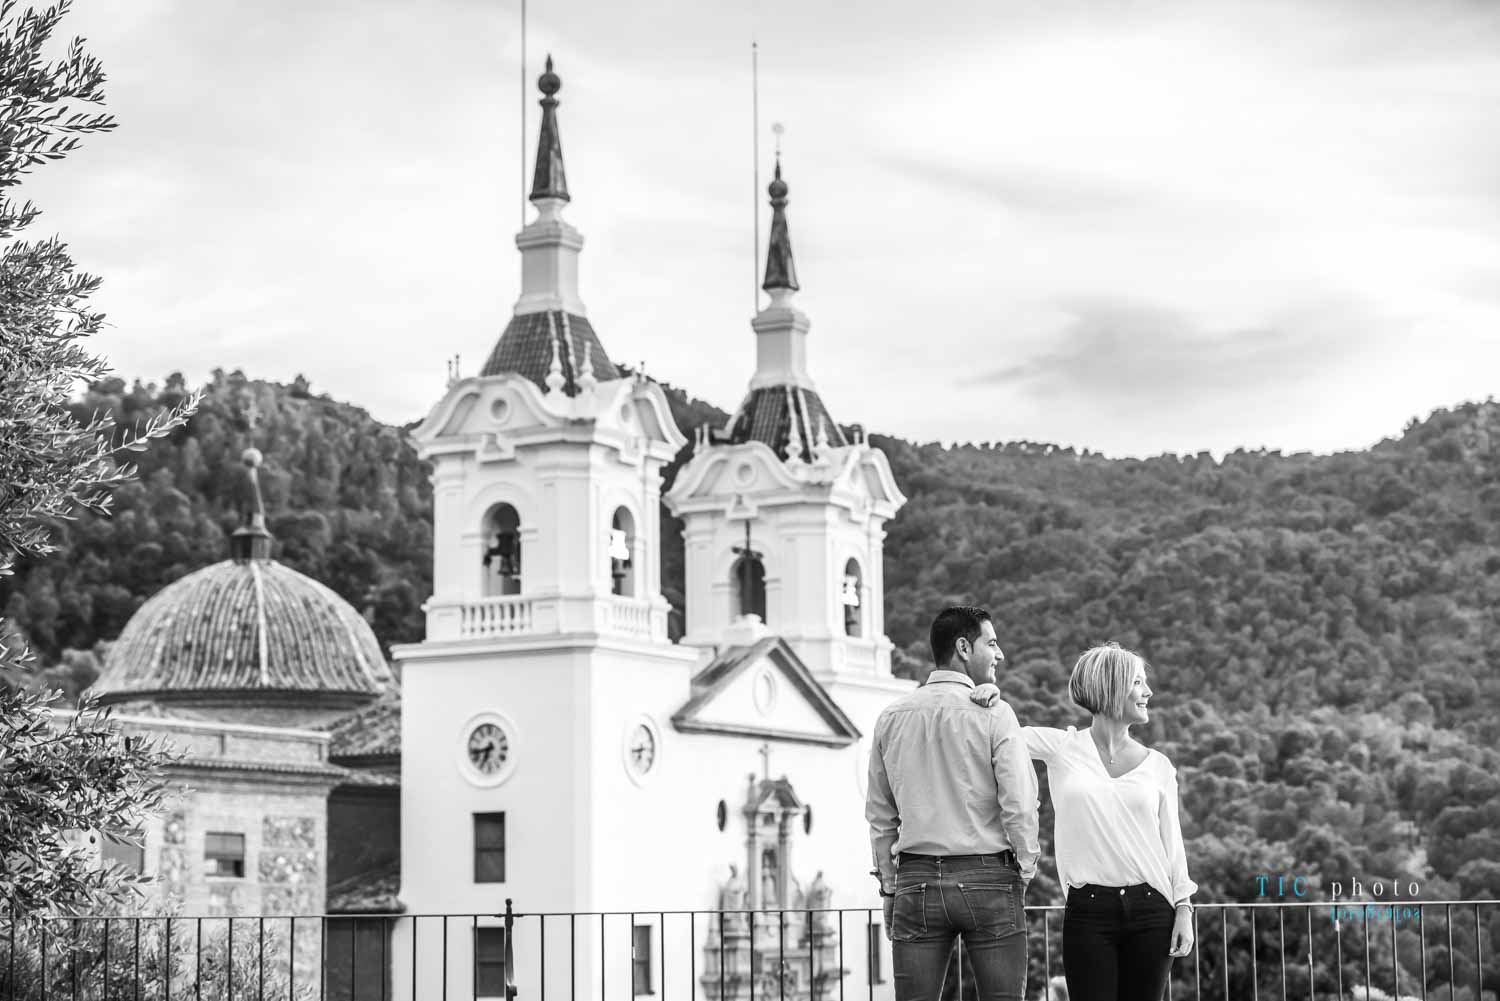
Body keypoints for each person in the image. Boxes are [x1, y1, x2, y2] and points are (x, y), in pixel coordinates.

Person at [972, 642, 1196, 1001]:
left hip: (1153, 910)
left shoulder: (1159, 766)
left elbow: (1173, 844)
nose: (1148, 692)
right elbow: (998, 736)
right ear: (1112, 687)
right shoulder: (1063, 748)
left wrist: (1183, 907)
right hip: (1088, 911)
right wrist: (993, 703)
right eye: (1138, 682)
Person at [865, 606, 1041, 1001]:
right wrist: (1026, 866)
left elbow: (880, 815)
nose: (999, 654)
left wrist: (890, 888)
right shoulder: (996, 714)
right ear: (964, 647)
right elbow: (1020, 804)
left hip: (916, 880)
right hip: (988, 875)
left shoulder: (891, 717)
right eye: (991, 643)